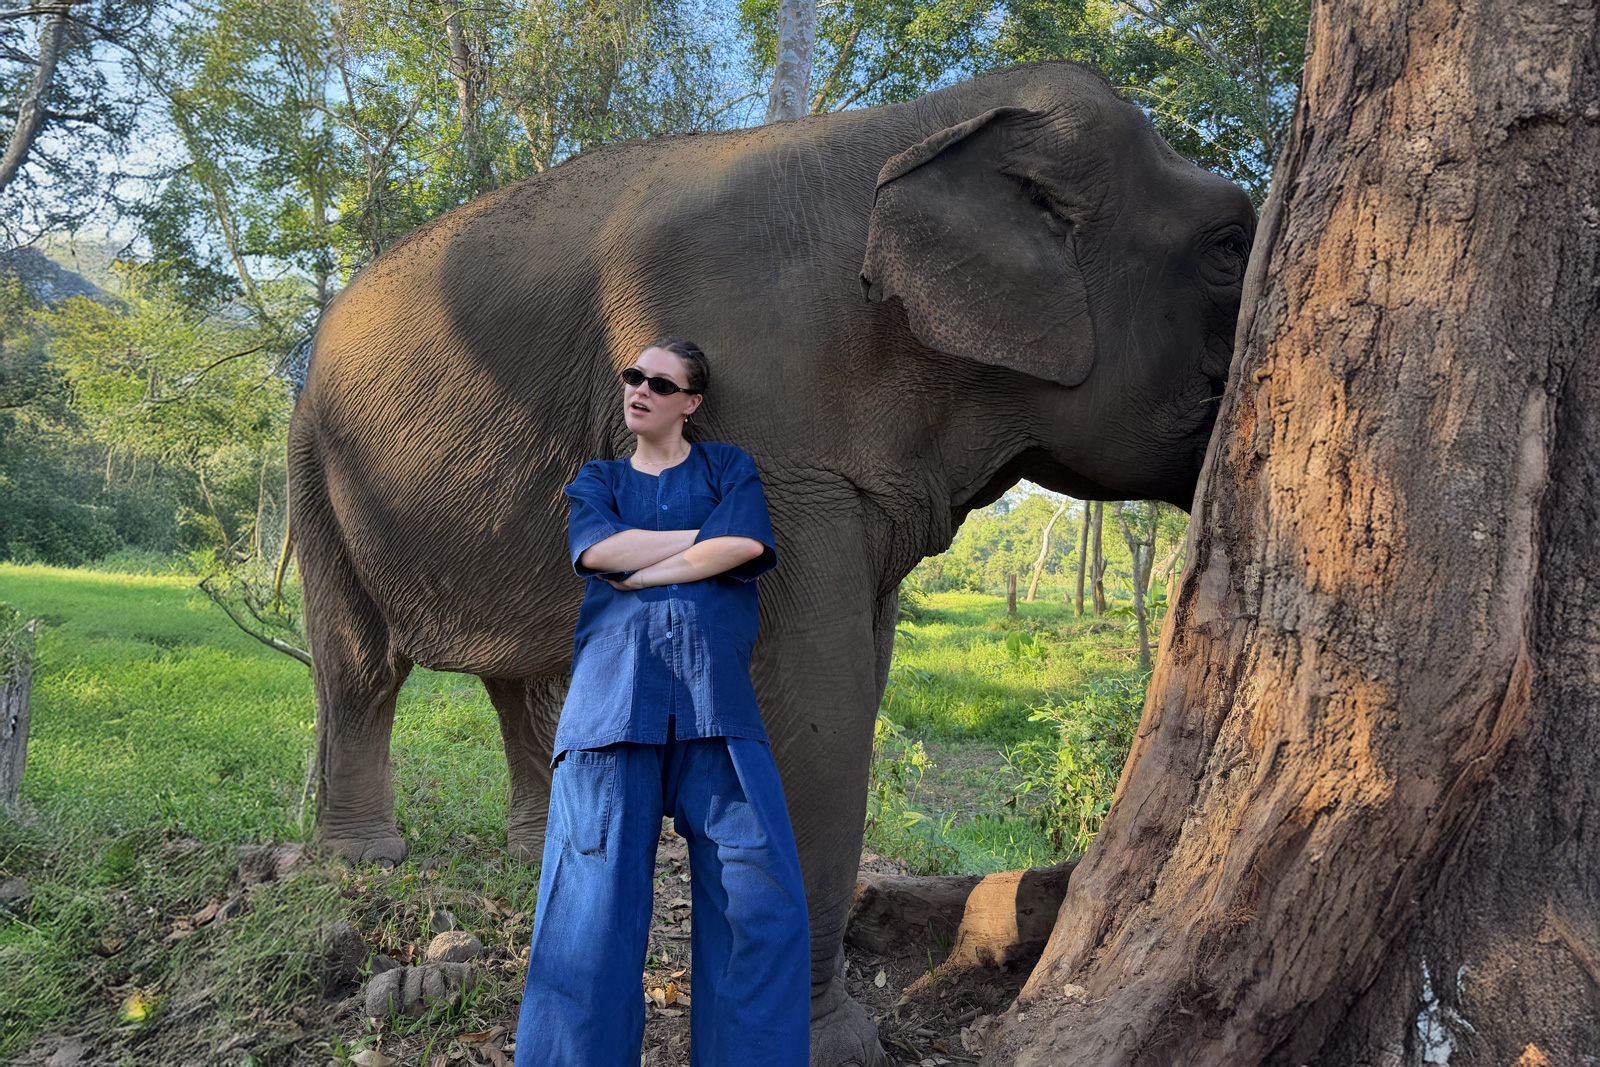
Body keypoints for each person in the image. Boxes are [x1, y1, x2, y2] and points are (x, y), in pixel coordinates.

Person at [515, 337, 811, 1067]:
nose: (640, 389)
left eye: (660, 382)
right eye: (633, 376)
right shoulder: (599, 479)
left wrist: (647, 570)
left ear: (691, 402)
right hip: (611, 712)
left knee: (759, 908)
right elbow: (598, 553)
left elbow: (743, 547)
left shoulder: (727, 467)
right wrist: (702, 540)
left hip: (718, 713)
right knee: (588, 916)